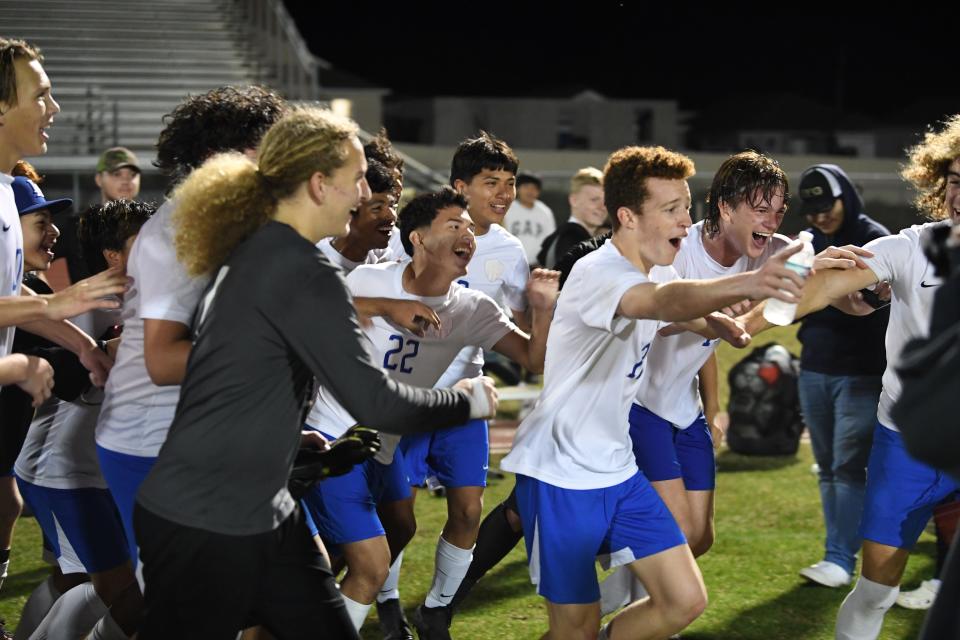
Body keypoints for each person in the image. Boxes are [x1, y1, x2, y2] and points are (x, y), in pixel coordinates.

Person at [133, 106, 498, 639]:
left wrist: (291, 437)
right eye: (355, 182)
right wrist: (471, 400)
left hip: (258, 507)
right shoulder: (304, 271)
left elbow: (240, 369)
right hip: (209, 515)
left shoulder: (260, 252)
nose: (361, 195)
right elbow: (378, 404)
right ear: (318, 184)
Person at [501, 145, 806, 640]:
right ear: (626, 216)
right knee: (572, 629)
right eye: (671, 210)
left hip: (618, 470)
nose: (686, 221)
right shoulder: (600, 272)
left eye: (686, 206)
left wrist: (723, 323)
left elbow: (679, 306)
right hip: (561, 475)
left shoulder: (658, 267)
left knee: (685, 599)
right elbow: (660, 302)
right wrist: (750, 282)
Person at [737, 114, 960, 640]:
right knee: (877, 590)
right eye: (954, 182)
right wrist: (745, 320)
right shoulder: (911, 247)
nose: (959, 196)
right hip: (909, 447)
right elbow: (822, 289)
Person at [304, 187, 558, 634]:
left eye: (469, 228)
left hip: (383, 448)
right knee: (372, 565)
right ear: (417, 238)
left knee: (399, 528)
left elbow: (534, 359)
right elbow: (306, 311)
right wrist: (388, 307)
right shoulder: (370, 279)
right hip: (334, 438)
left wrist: (543, 308)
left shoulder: (472, 308)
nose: (468, 234)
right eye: (454, 225)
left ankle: (300, 611)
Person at [393, 131, 530, 640]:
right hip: (407, 395)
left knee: (469, 510)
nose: (503, 192)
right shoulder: (417, 232)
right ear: (459, 186)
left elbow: (511, 326)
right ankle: (387, 609)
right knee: (397, 517)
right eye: (490, 181)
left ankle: (436, 610)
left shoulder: (511, 249)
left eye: (510, 182)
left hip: (466, 397)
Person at [13, 198, 155, 640]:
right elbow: (57, 373)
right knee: (119, 590)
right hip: (59, 470)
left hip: (99, 469)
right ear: (114, 255)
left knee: (95, 583)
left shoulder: (148, 299)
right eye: (147, 238)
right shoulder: (87, 304)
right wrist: (113, 351)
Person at [793, 164, 891, 588]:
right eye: (811, 209)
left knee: (849, 467)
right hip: (814, 366)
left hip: (860, 372)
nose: (820, 217)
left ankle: (840, 558)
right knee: (828, 467)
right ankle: (836, 553)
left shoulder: (875, 238)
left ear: (846, 197)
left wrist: (820, 291)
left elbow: (870, 306)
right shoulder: (809, 242)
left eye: (826, 205)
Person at [536, 167, 606, 268]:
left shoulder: (557, 237)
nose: (602, 207)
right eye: (594, 200)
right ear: (574, 200)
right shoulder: (573, 241)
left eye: (605, 201)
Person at [505, 173, 555, 265]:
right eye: (526, 186)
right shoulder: (507, 209)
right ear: (517, 189)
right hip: (510, 262)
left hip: (536, 266)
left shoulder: (545, 212)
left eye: (534, 188)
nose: (530, 191)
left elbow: (550, 241)